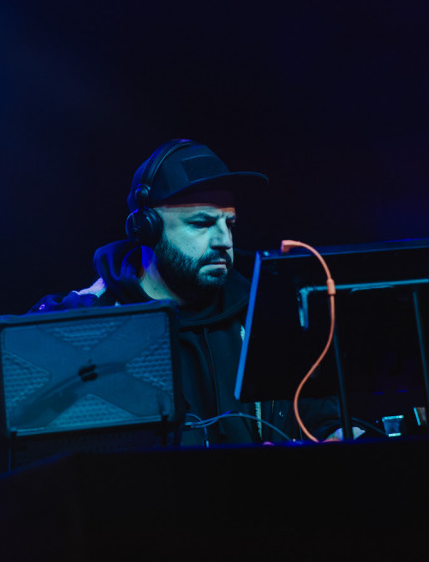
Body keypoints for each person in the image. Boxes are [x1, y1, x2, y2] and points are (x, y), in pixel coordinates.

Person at [29, 139, 341, 445]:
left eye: (229, 224)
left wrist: (330, 439)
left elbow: (321, 422)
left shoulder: (265, 317)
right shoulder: (80, 325)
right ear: (146, 228)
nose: (223, 240)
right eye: (201, 223)